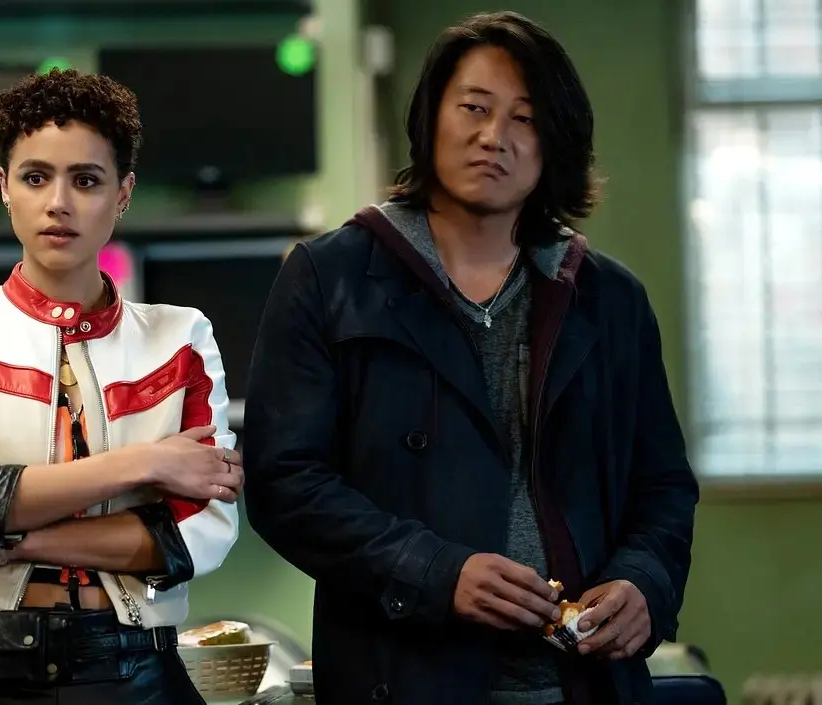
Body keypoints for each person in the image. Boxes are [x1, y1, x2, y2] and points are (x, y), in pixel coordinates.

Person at [242, 11, 698, 705]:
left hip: (580, 683)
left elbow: (661, 486)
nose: (494, 136)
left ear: (554, 143)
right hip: (401, 676)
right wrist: (435, 572)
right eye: (474, 108)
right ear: (430, 117)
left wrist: (645, 581)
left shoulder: (607, 299)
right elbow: (286, 484)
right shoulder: (330, 277)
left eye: (525, 118)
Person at [0, 68, 242, 705]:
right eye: (35, 177)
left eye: (86, 180)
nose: (59, 202)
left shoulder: (182, 337)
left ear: (123, 193)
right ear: (4, 186)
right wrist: (148, 463)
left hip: (137, 669)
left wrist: (3, 549)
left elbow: (201, 533)